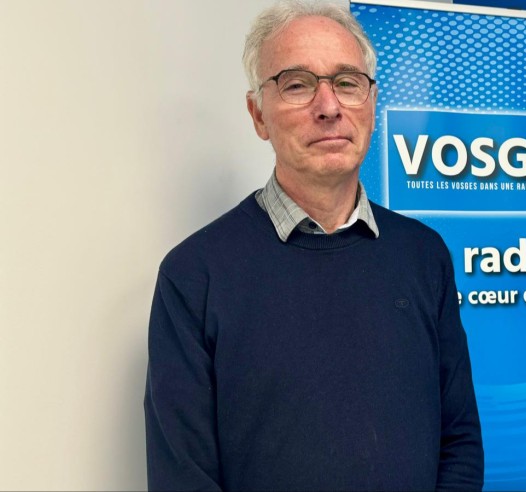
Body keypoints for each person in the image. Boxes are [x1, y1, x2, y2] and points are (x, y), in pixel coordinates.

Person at [143, 1, 484, 490]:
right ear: (258, 115)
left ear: (372, 105)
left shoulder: (423, 256)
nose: (329, 106)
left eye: (347, 82)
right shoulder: (194, 276)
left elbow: (460, 443)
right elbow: (183, 478)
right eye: (297, 84)